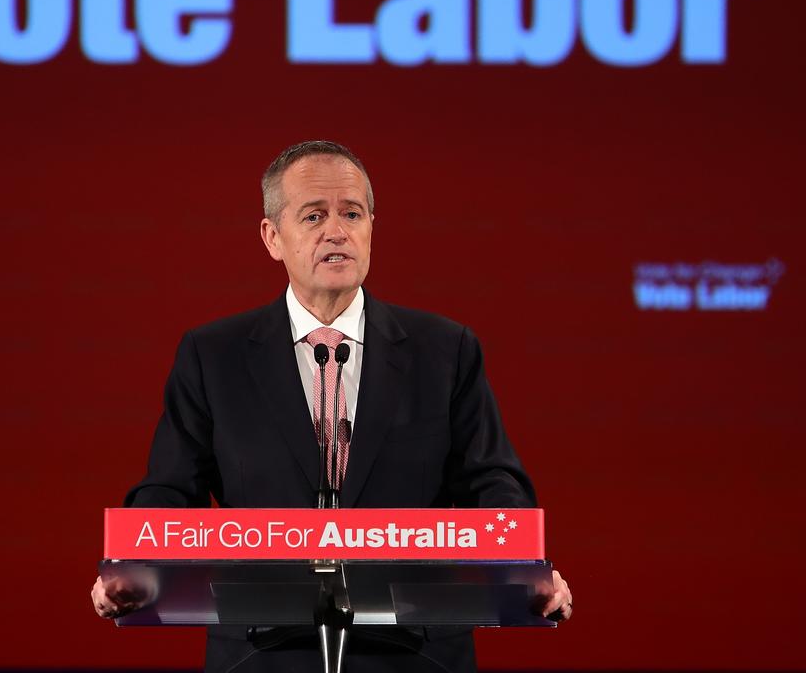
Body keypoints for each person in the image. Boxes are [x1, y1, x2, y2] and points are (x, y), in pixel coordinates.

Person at [91, 141, 572, 672]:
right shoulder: (213, 355)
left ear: (371, 228)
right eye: (314, 215)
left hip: (415, 650)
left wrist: (527, 569)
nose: (336, 231)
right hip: (263, 649)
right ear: (273, 237)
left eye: (352, 213)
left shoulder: (445, 350)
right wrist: (131, 565)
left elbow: (492, 483)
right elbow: (169, 486)